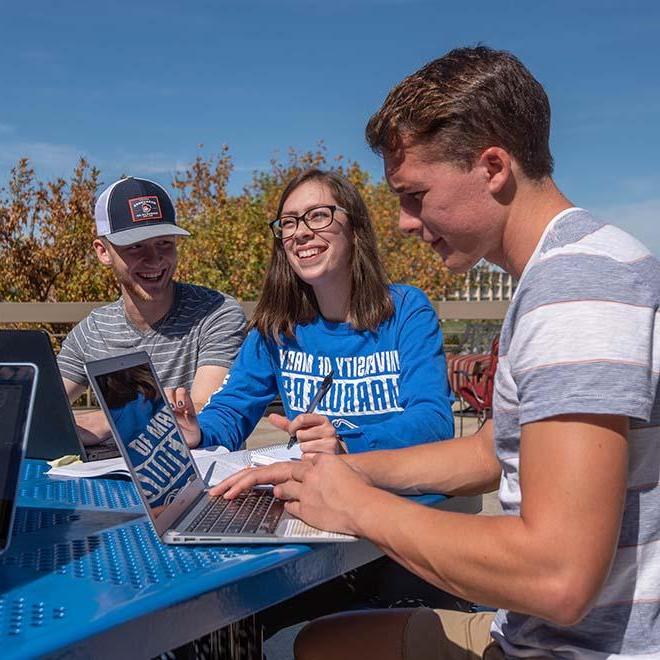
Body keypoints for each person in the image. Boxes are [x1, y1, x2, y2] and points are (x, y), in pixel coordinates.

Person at [211, 46, 660, 659]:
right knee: (304, 642)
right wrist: (331, 472)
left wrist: (357, 506)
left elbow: (557, 578)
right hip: (528, 628)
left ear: (493, 166)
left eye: (415, 194)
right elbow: (487, 449)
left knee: (279, 647)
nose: (401, 221)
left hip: (575, 645)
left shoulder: (575, 290)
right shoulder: (565, 271)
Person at [169, 168, 454, 455]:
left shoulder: (406, 309)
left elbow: (434, 421)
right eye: (289, 222)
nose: (301, 232)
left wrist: (346, 443)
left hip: (395, 491)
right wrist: (197, 432)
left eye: (318, 215)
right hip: (319, 492)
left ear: (355, 230)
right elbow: (232, 409)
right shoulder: (277, 326)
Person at [57, 176, 247, 445]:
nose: (154, 259)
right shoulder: (93, 331)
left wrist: (106, 421)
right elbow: (39, 409)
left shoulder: (216, 313)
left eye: (164, 243)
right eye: (135, 246)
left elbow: (205, 408)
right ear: (103, 252)